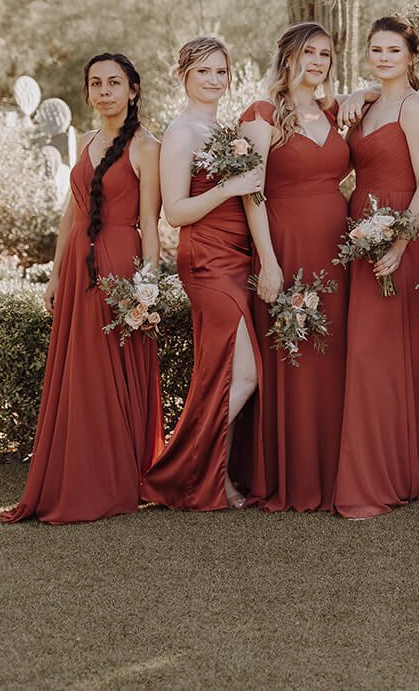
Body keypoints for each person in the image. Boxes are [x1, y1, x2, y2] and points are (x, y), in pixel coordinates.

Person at [3, 53, 164, 524]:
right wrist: (55, 274)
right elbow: (71, 214)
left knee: (110, 370)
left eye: (115, 82)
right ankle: (78, 472)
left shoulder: (146, 146)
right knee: (80, 371)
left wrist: (146, 288)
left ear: (133, 90)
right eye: (96, 83)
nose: (104, 91)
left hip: (119, 266)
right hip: (78, 266)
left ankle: (116, 478)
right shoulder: (88, 140)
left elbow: (151, 225)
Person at [143, 37, 266, 510]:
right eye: (204, 72)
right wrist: (228, 188)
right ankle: (181, 469)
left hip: (236, 257)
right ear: (184, 76)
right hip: (207, 261)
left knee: (222, 373)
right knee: (247, 375)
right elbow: (174, 212)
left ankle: (220, 481)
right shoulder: (182, 132)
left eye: (221, 71)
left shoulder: (220, 127)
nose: (214, 80)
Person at [333, 17, 419, 517]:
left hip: (400, 232)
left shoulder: (415, 107)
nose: (383, 57)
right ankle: (376, 468)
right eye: (375, 50)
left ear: (411, 56)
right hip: (361, 228)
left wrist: (402, 245)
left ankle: (388, 474)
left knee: (383, 352)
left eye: (393, 50)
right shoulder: (365, 104)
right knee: (364, 352)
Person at [240, 23, 351, 512]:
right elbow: (251, 190)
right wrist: (268, 261)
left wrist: (366, 89)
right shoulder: (262, 114)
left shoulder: (332, 110)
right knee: (292, 352)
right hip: (285, 244)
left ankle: (333, 472)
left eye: (326, 54)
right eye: (309, 52)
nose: (318, 62)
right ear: (287, 56)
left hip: (336, 249)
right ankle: (291, 474)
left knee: (332, 353)